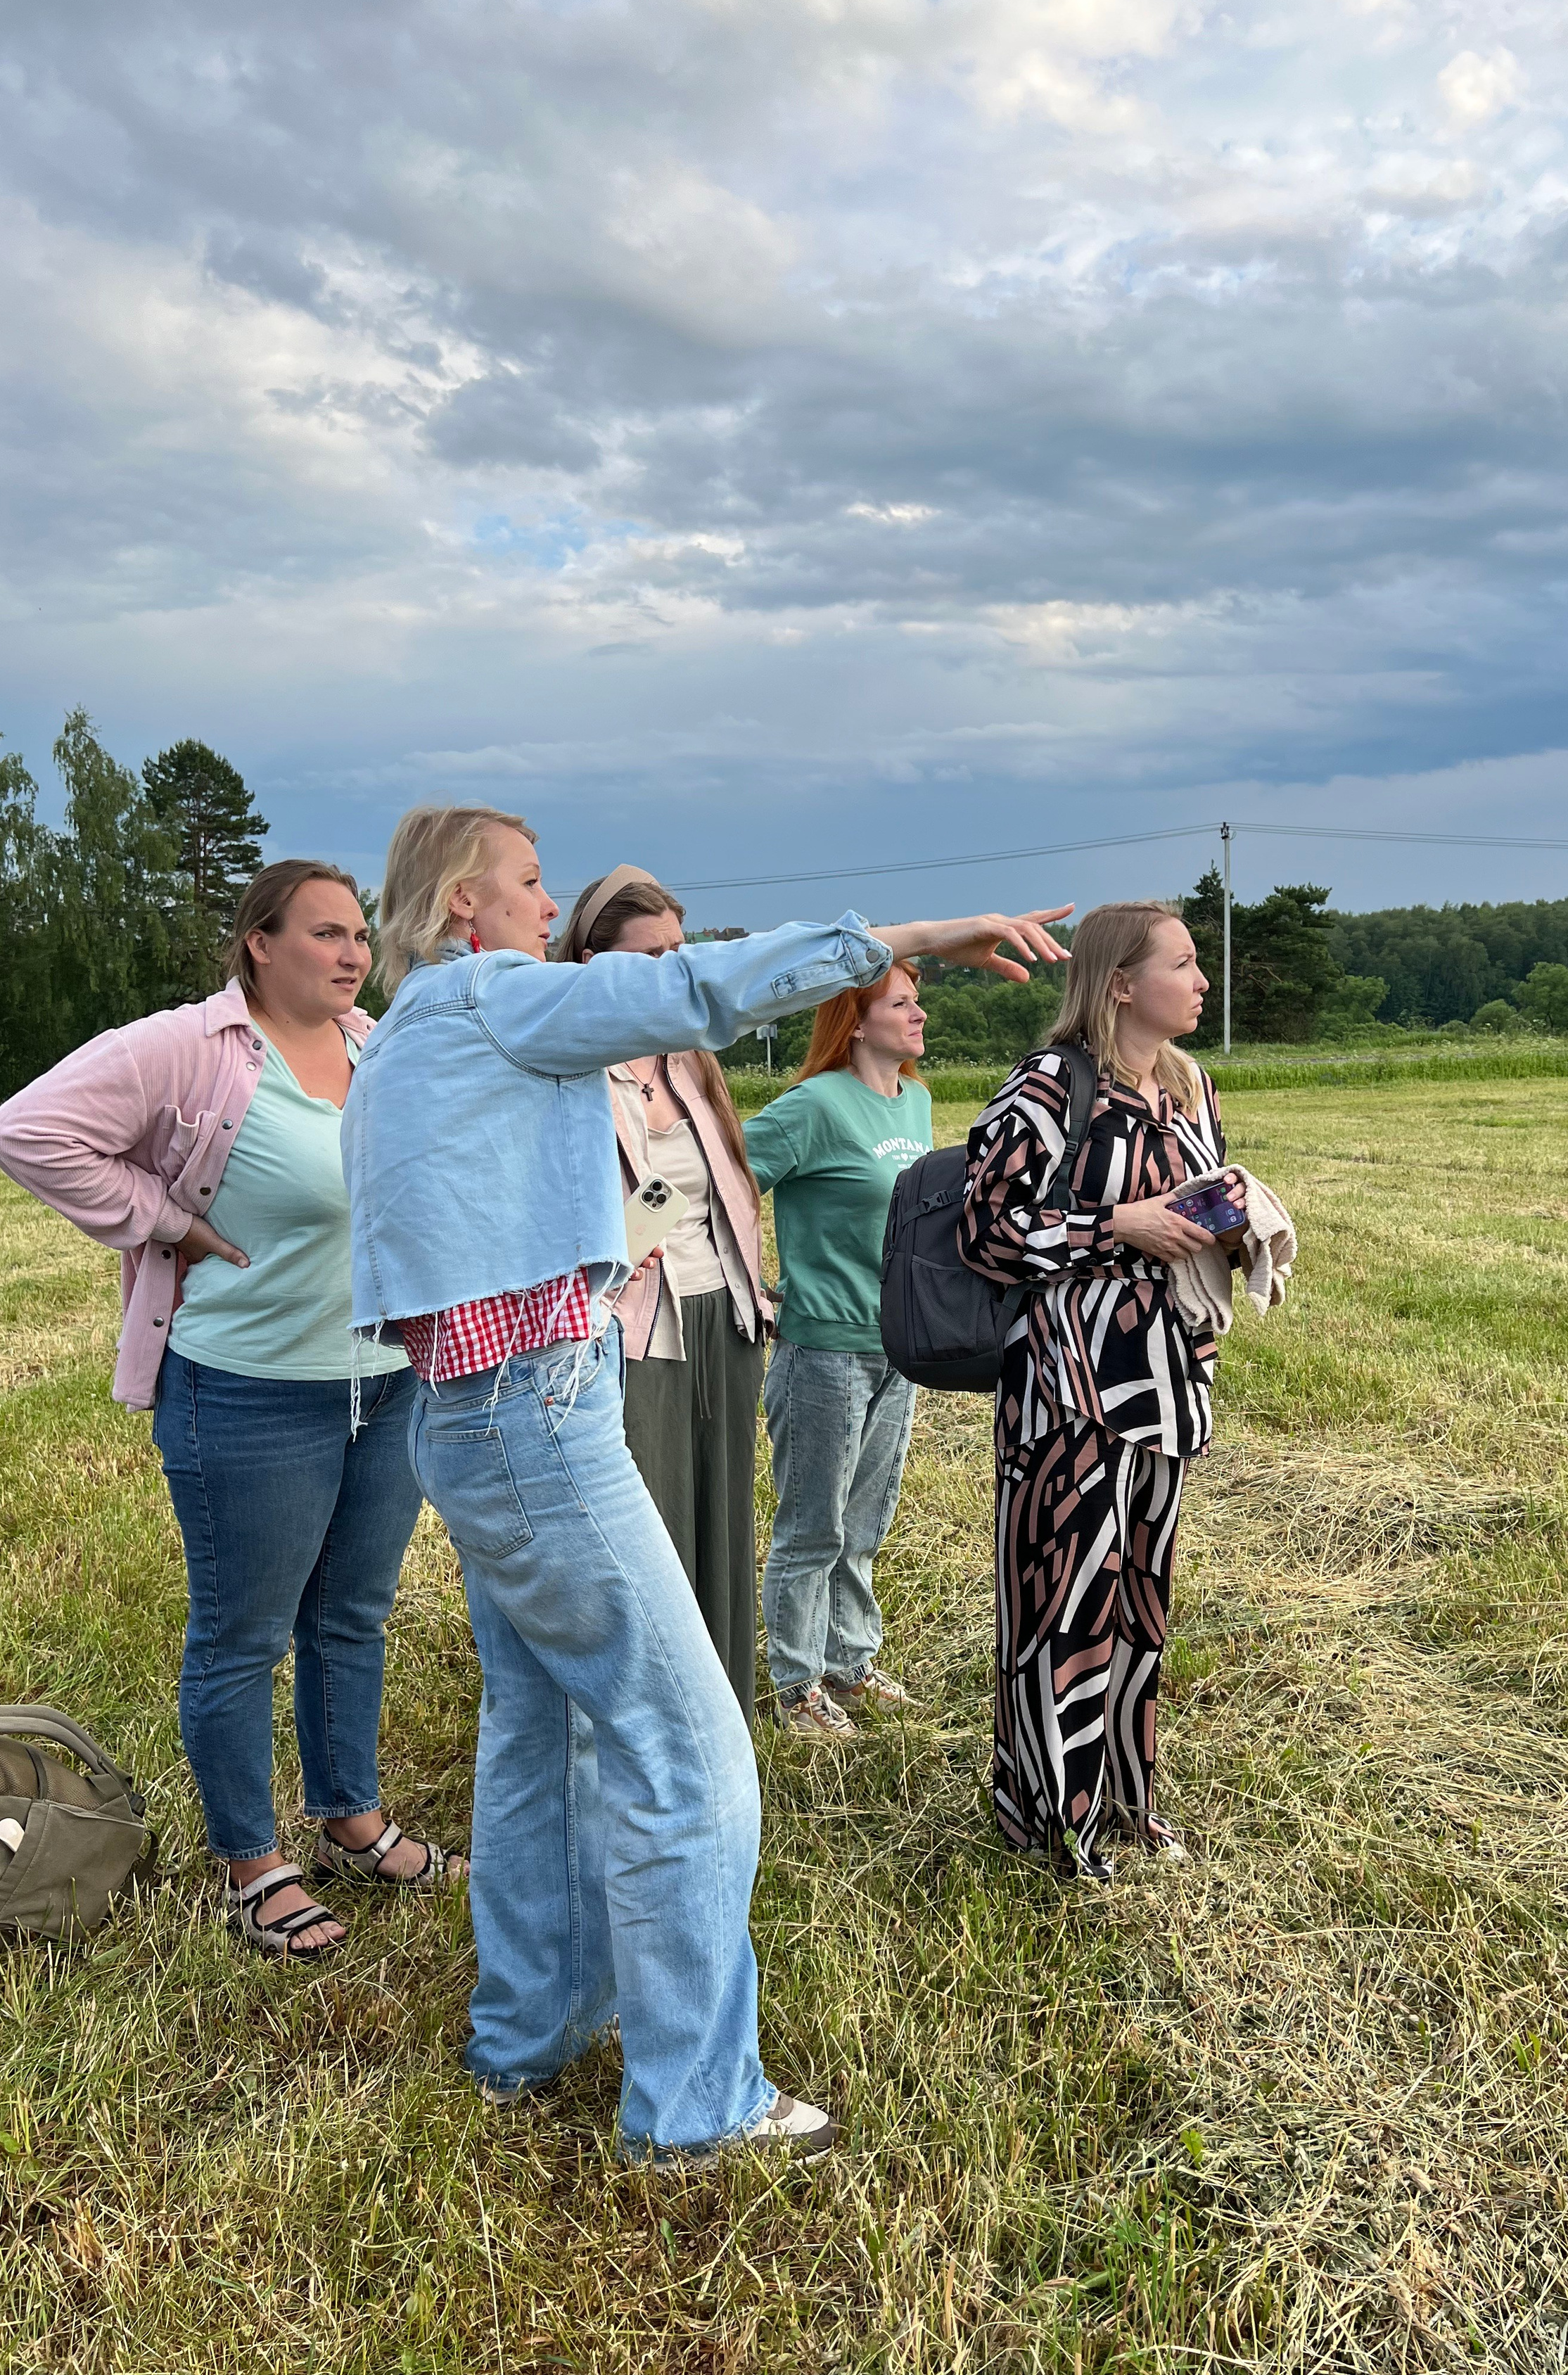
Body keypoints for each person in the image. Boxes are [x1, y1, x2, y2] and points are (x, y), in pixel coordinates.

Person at [342, 798, 1066, 2157]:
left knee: (541, 1729)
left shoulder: (403, 1041)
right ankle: (693, 2103)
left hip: (469, 1414)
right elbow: (691, 986)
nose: (545, 908)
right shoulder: (494, 997)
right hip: (536, 1412)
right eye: (531, 881)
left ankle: (531, 2030)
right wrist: (901, 939)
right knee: (691, 1749)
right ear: (462, 907)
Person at [0, 862, 458, 1960]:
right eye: (327, 934)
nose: (353, 954)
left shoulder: (373, 1046)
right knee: (242, 1638)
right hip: (245, 1391)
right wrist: (161, 1218)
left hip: (383, 1383)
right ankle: (252, 1862)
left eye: (360, 937)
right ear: (259, 941)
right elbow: (27, 1131)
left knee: (352, 1617)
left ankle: (350, 1817)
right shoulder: (188, 1048)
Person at [957, 901, 1243, 1885]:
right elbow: (987, 1233)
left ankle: (1128, 1802)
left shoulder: (1194, 1088)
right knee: (1061, 1610)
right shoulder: (1048, 1085)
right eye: (1184, 962)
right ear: (1121, 983)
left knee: (1140, 1608)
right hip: (1069, 1393)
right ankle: (1049, 1823)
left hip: (1166, 1386)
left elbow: (1187, 1207)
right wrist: (1117, 1225)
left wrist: (1232, 1221)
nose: (1202, 979)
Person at [556, 864, 773, 1725]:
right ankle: (650, 1717)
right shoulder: (569, 1060)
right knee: (650, 1528)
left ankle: (720, 1710)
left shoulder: (691, 1054)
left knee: (724, 1515)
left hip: (722, 1308)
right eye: (649, 955)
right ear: (590, 958)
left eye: (679, 952)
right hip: (632, 1325)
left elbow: (723, 1187)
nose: (670, 973)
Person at [742, 960, 934, 1740]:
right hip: (822, 1348)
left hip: (897, 1344)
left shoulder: (914, 1099)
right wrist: (748, 1284)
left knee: (865, 1518)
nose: (918, 1011)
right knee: (812, 1523)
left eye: (918, 998)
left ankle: (848, 1663)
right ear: (853, 1021)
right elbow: (720, 1182)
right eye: (900, 1001)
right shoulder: (811, 1106)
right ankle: (795, 1686)